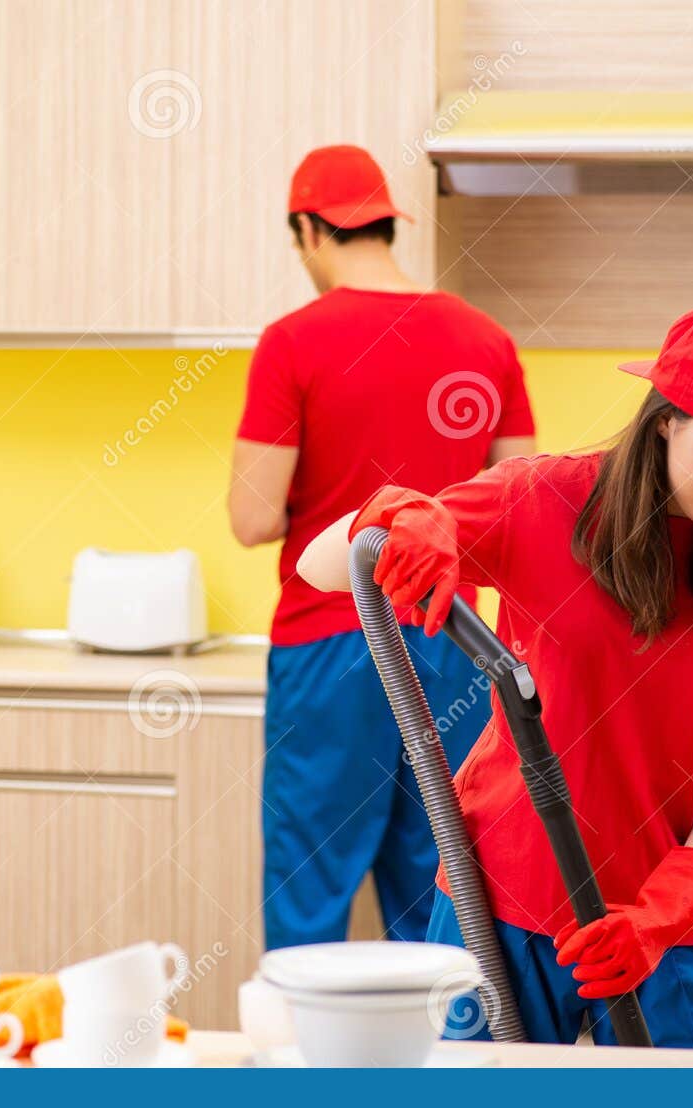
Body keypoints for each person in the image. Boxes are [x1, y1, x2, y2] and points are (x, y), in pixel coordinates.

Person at [296, 296, 693, 1048]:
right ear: (664, 423)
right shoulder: (543, 500)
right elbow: (319, 566)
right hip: (506, 898)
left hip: (676, 921)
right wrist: (402, 518)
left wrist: (658, 915)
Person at [230, 144, 535, 950]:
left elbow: (252, 519)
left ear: (308, 230)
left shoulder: (293, 342)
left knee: (310, 890)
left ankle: (304, 1070)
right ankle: (448, 1071)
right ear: (384, 226)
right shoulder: (486, 340)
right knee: (445, 893)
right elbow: (521, 510)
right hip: (451, 643)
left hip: (331, 644)